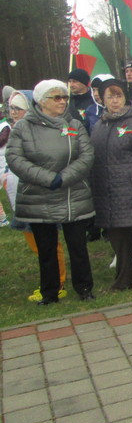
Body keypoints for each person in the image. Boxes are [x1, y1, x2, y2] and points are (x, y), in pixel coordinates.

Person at [6, 80, 96, 304]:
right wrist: (48, 179)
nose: (63, 102)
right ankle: (50, 291)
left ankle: (84, 288)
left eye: (64, 97)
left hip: (71, 194)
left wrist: (63, 178)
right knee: (46, 250)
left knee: (78, 247)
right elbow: (15, 158)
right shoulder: (23, 127)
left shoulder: (74, 123)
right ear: (41, 101)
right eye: (57, 98)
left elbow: (86, 155)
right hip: (39, 196)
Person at [91, 79, 132, 290]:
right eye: (110, 96)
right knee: (119, 243)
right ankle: (123, 279)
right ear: (103, 99)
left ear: (125, 98)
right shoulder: (99, 126)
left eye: (118, 96)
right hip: (109, 197)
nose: (114, 101)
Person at [4, 90, 68, 301]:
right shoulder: (18, 130)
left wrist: (41, 176)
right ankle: (49, 281)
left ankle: (57, 281)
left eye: (18, 108)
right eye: (12, 108)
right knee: (36, 243)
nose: (14, 113)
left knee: (47, 243)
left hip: (43, 192)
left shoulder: (39, 130)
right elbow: (15, 158)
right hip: (24, 194)